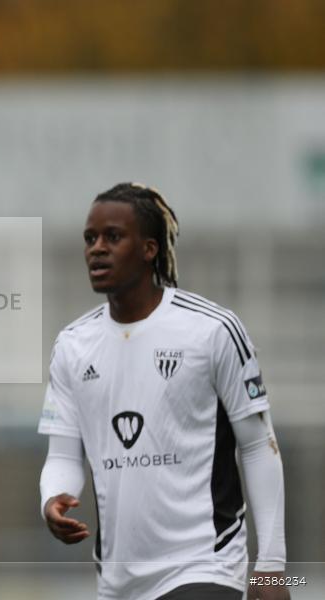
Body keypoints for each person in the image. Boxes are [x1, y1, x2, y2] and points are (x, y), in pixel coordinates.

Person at [38, 183, 288, 600]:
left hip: (204, 565)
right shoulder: (72, 346)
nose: (97, 249)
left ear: (150, 248)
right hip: (118, 583)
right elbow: (63, 456)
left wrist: (271, 568)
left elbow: (259, 445)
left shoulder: (212, 331)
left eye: (113, 237)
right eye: (90, 238)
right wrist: (53, 499)